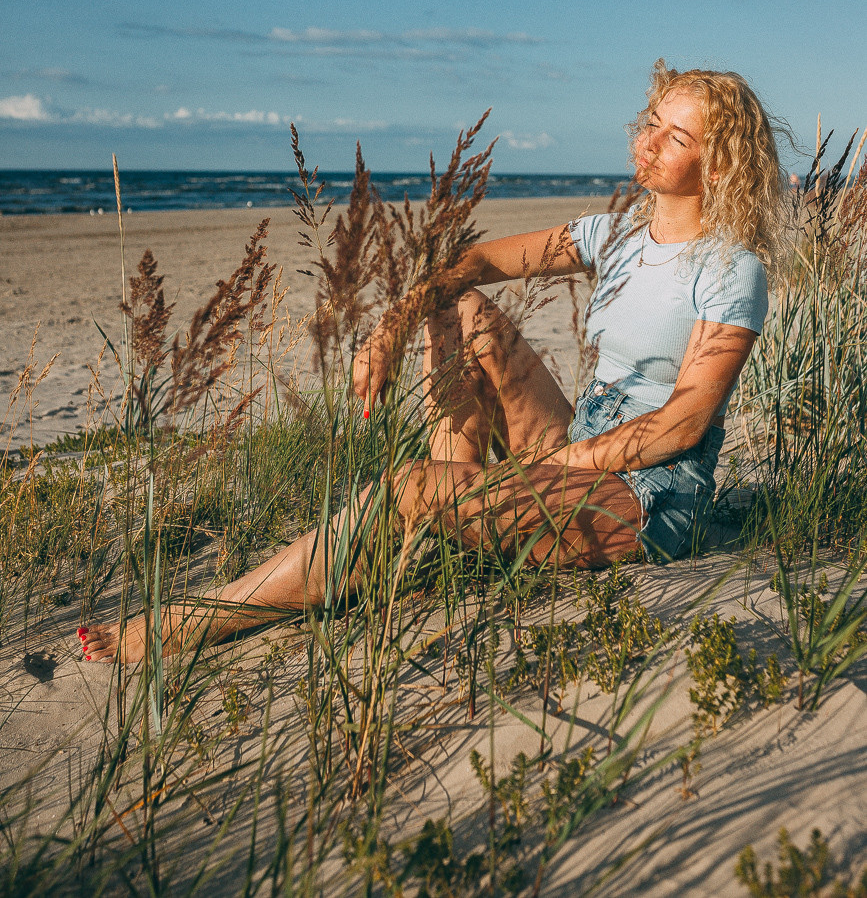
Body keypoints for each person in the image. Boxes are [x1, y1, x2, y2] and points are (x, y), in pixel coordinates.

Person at [79, 61, 789, 663]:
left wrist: (549, 469)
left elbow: (683, 424)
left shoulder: (730, 268)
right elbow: (471, 263)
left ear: (718, 162)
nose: (648, 141)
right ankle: (449, 516)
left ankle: (196, 618)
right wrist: (388, 328)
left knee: (409, 488)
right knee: (461, 307)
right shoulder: (616, 234)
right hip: (584, 447)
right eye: (650, 121)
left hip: (650, 496)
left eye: (676, 135)